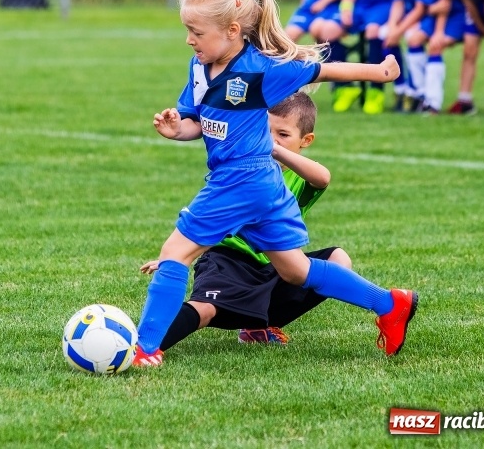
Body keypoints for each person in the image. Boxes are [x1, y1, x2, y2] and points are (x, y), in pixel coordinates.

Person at [132, 0, 417, 368]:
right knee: (296, 269)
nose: (189, 39)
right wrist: (175, 128)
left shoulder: (260, 69)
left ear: (232, 30)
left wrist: (381, 72)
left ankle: (144, 348)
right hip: (260, 185)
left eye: (196, 31)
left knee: (174, 253)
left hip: (240, 180)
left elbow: (320, 68)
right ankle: (390, 304)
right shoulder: (199, 68)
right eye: (187, 30)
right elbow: (194, 122)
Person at [140, 93, 355, 353]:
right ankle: (142, 348)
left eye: (283, 134)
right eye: (265, 130)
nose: (272, 139)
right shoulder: (242, 173)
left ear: (306, 140)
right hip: (227, 261)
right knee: (206, 309)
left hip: (276, 267)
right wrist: (176, 257)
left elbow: (322, 177)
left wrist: (271, 148)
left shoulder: (300, 177)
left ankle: (259, 325)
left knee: (339, 260)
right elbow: (212, 222)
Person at [403, 0, 466, 115]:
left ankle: (433, 103)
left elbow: (444, 7)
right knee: (413, 39)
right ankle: (422, 92)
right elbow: (432, 6)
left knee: (434, 46)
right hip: (436, 17)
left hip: (454, 17)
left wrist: (438, 33)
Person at [381, 0, 438, 112]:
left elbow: (422, 8)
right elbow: (397, 2)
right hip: (410, 16)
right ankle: (401, 88)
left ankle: (418, 92)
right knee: (385, 35)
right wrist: (392, 26)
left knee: (412, 37)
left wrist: (398, 30)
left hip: (430, 16)